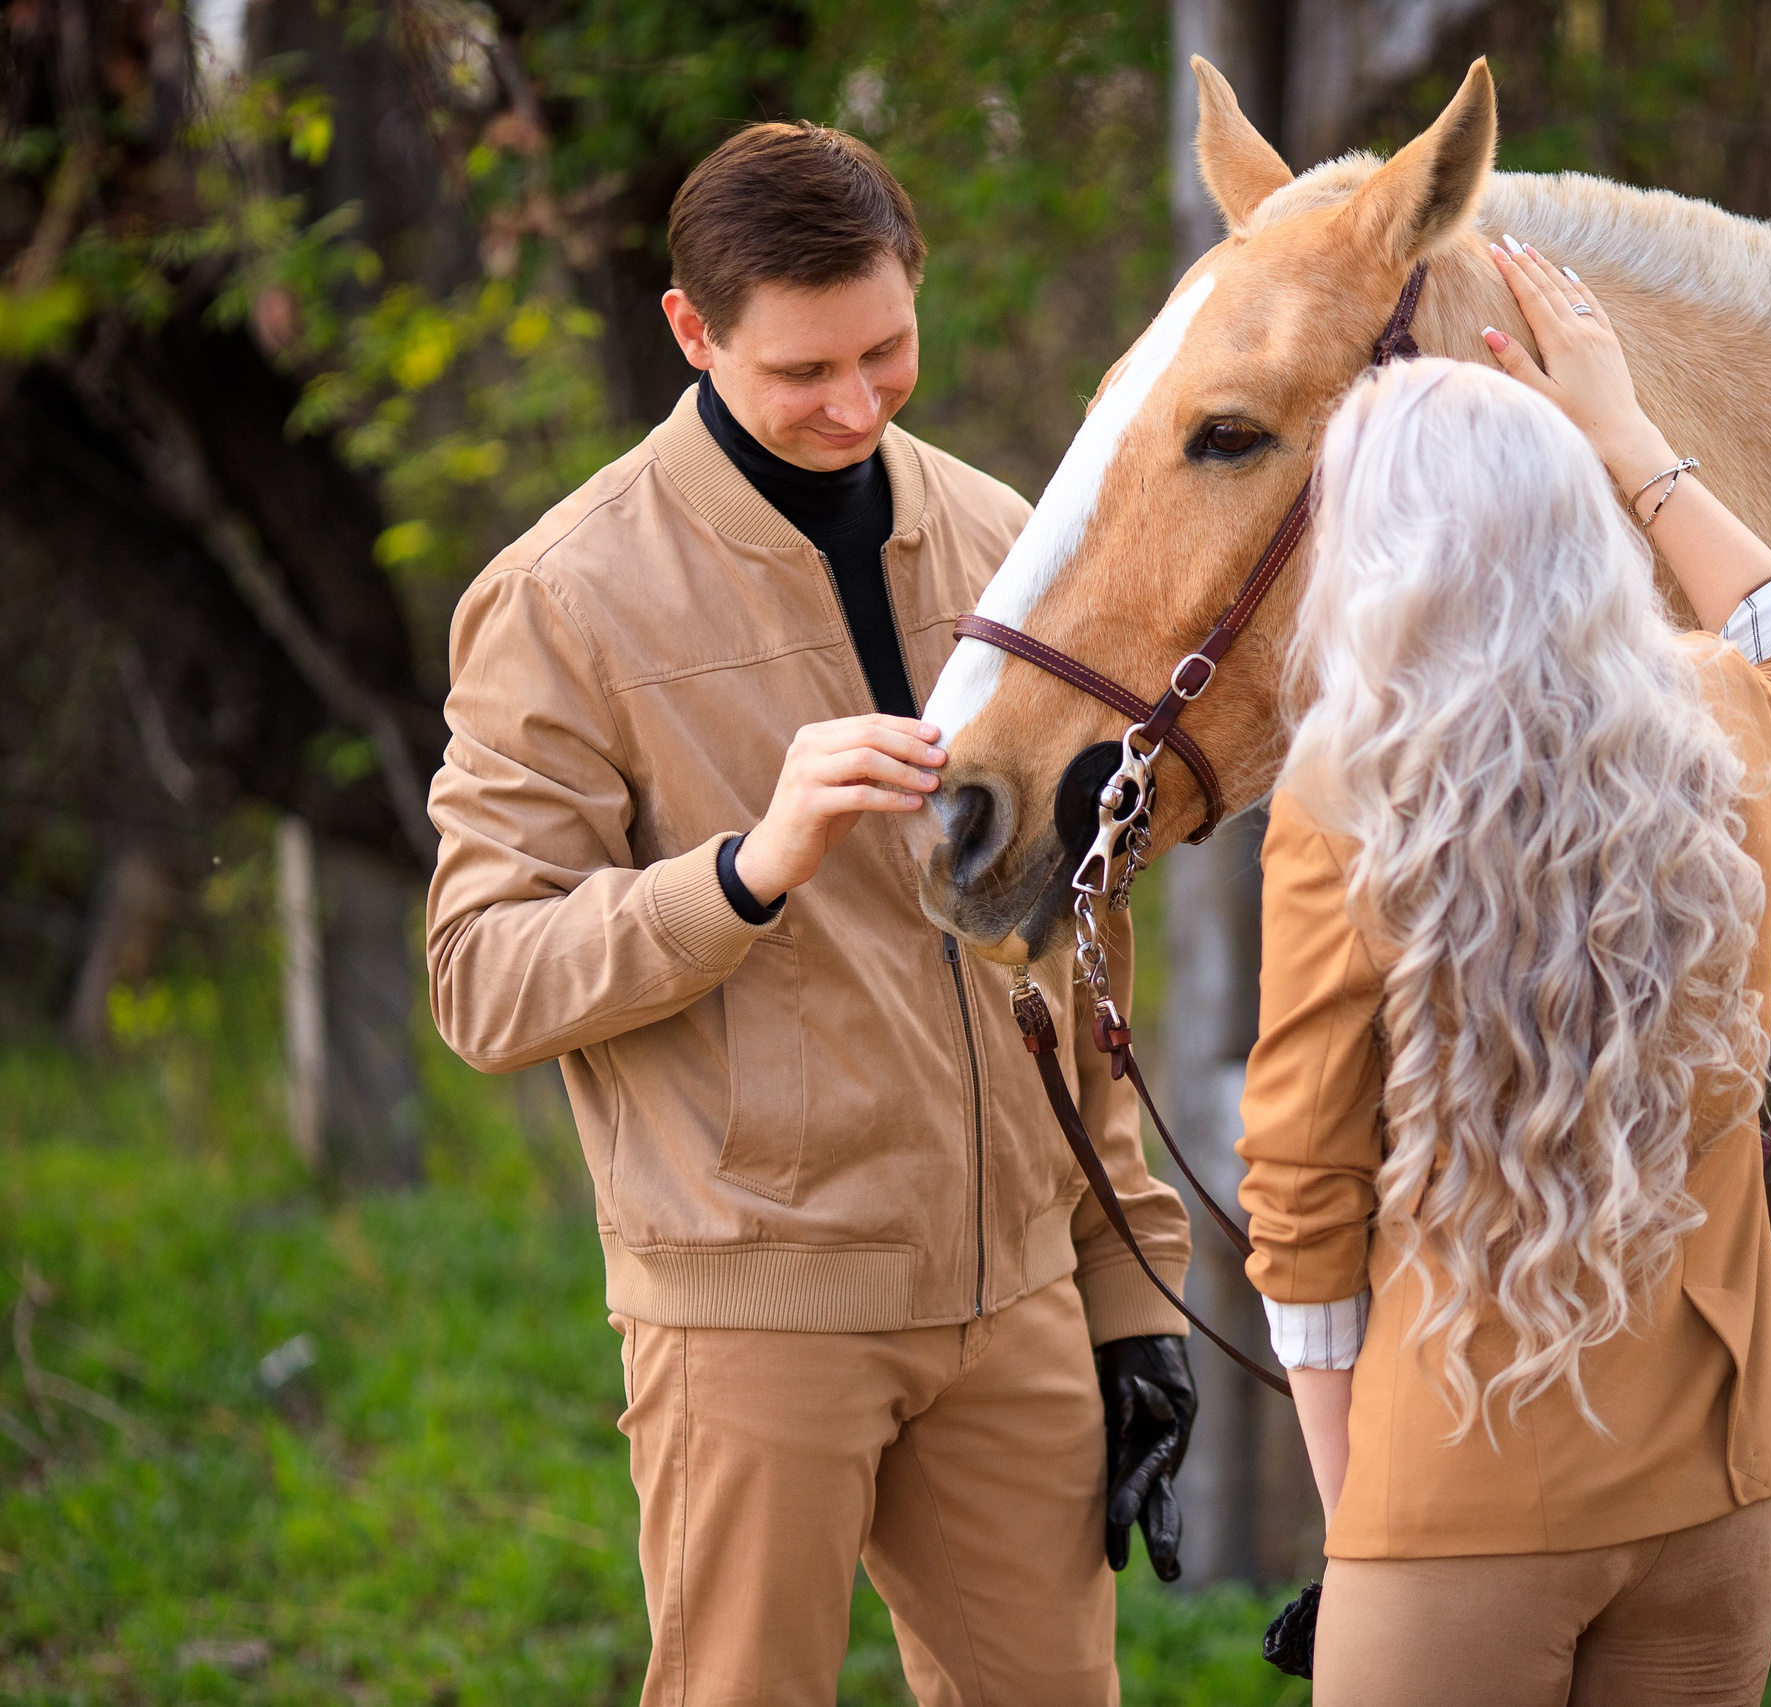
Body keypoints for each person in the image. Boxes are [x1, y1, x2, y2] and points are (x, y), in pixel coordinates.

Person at [424, 122, 1197, 1707]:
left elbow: (1073, 931)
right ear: (691, 331)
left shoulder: (1008, 539)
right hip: (752, 1319)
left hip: (1018, 1307)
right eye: (803, 370)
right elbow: (482, 980)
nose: (855, 404)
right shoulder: (561, 597)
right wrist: (743, 871)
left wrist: (1129, 1285)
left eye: (886, 350)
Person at [1237, 240, 1771, 1706]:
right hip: (1721, 1472)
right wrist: (1630, 437)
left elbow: (1302, 1191)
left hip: (1457, 1481)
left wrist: (1354, 1515)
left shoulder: (1343, 792)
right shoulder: (1720, 722)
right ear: (1580, 520)